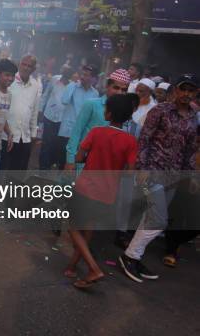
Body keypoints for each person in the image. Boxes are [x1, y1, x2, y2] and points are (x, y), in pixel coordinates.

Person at [119, 74, 198, 283]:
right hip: (152, 172)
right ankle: (130, 256)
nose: (186, 94)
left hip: (173, 177)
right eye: (183, 89)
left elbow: (191, 149)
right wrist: (142, 166)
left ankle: (133, 256)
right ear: (175, 91)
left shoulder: (193, 117)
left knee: (150, 218)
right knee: (159, 220)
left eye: (191, 90)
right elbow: (144, 138)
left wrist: (191, 176)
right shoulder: (160, 111)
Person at [66, 94, 137, 289]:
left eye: (106, 109)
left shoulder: (96, 132)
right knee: (88, 228)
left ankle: (93, 268)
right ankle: (72, 266)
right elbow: (129, 173)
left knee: (73, 227)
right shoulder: (131, 141)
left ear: (110, 112)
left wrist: (89, 156)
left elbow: (79, 157)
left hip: (86, 188)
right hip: (108, 194)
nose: (104, 111)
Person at [64, 69, 131, 170]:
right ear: (107, 86)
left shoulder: (124, 112)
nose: (120, 92)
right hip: (83, 162)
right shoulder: (91, 104)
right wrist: (70, 160)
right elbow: (76, 132)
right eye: (116, 88)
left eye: (123, 90)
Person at [0, 55, 42, 171]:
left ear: (34, 69)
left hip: (25, 137)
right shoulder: (9, 81)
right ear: (19, 65)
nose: (26, 68)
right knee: (2, 170)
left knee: (18, 173)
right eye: (24, 64)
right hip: (6, 136)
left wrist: (33, 134)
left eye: (29, 66)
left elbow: (34, 112)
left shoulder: (35, 86)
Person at [38, 65, 74, 170]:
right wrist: (40, 109)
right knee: (46, 143)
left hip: (62, 120)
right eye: (63, 75)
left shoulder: (72, 86)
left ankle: (51, 164)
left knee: (57, 144)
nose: (64, 78)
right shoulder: (54, 79)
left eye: (67, 76)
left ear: (70, 76)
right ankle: (43, 167)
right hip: (49, 116)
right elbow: (45, 95)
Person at [58, 65, 99, 144]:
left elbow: (93, 114)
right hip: (67, 131)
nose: (82, 77)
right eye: (82, 74)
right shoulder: (72, 86)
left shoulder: (95, 93)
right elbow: (64, 101)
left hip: (81, 134)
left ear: (93, 79)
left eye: (86, 75)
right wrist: (73, 84)